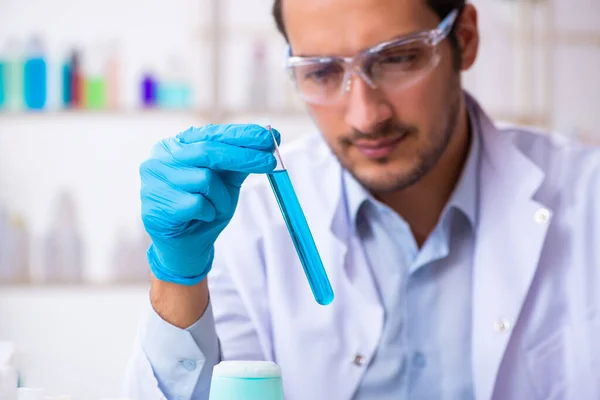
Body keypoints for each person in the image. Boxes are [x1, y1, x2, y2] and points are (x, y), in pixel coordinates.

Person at [125, 0, 600, 398]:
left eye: (397, 59)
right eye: (321, 71)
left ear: (466, 38)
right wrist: (178, 278)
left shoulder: (588, 199)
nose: (365, 115)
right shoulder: (251, 218)